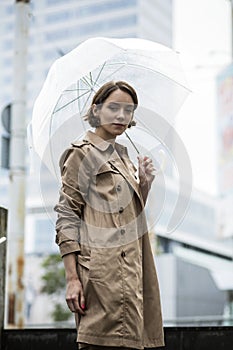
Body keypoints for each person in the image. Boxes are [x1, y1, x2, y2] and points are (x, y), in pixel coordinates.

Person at [55, 81, 164, 350]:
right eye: (113, 108)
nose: (121, 116)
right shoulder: (81, 153)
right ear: (96, 109)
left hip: (133, 273)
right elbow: (67, 216)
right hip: (101, 277)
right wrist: (72, 279)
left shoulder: (125, 159)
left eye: (128, 110)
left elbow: (127, 218)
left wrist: (144, 185)